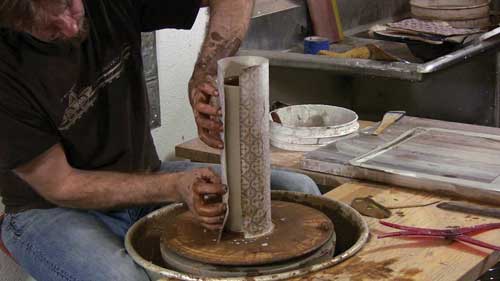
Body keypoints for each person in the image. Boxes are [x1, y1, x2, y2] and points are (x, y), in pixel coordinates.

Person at [0, 0, 320, 280]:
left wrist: (204, 74)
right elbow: (62, 186)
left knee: (300, 193)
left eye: (69, 5)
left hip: (142, 180)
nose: (69, 27)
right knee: (123, 279)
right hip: (47, 209)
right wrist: (174, 186)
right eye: (46, 26)